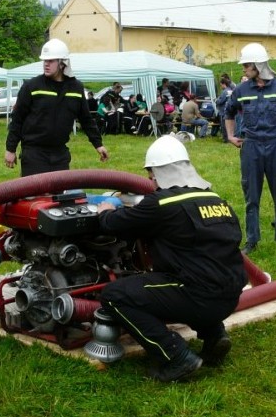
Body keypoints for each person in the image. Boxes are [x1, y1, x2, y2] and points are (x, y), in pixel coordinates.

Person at [95, 135, 246, 382]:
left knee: (114, 294)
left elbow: (115, 224)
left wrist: (105, 212)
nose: (150, 180)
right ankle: (215, 335)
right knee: (193, 274)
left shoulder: (160, 203)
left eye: (151, 174)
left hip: (198, 297)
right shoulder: (216, 199)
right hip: (230, 295)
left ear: (159, 173)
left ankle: (176, 357)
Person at [224, 43, 276, 255]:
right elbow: (228, 112)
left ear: (258, 65)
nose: (243, 69)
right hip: (251, 146)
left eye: (246, 65)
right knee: (251, 197)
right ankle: (252, 241)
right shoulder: (241, 90)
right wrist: (230, 136)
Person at [4, 39, 109, 176]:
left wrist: (98, 144)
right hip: (34, 153)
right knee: (35, 197)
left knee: (59, 196)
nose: (46, 64)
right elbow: (17, 119)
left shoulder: (76, 88)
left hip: (60, 154)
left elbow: (86, 119)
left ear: (62, 63)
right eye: (44, 61)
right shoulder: (32, 86)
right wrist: (10, 149)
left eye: (51, 61)